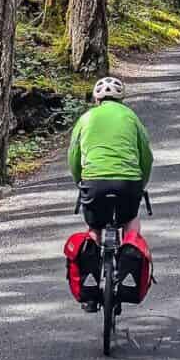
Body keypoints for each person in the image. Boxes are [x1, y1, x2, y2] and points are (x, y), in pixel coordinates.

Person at [68, 76, 153, 248]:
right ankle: (131, 248)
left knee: (94, 226)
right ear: (121, 98)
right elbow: (147, 155)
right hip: (128, 183)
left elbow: (73, 155)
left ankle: (91, 249)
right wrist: (141, 183)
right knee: (130, 217)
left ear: (96, 98)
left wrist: (79, 181)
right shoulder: (131, 116)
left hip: (93, 183)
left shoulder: (87, 117)